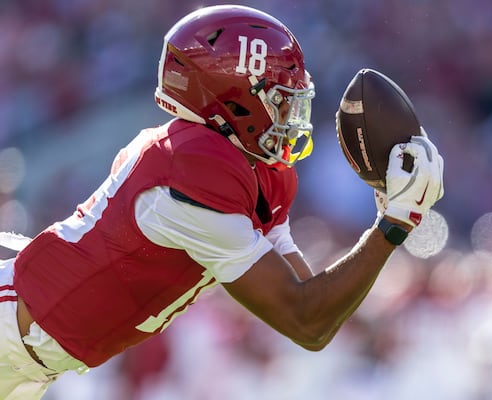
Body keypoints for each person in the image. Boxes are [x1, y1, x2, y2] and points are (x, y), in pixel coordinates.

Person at [0, 4, 444, 399]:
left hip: (32, 360)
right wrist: (393, 224)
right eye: (280, 100)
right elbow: (304, 318)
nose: (292, 116)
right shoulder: (190, 169)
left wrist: (389, 216)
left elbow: (315, 308)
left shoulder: (257, 172)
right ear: (234, 98)